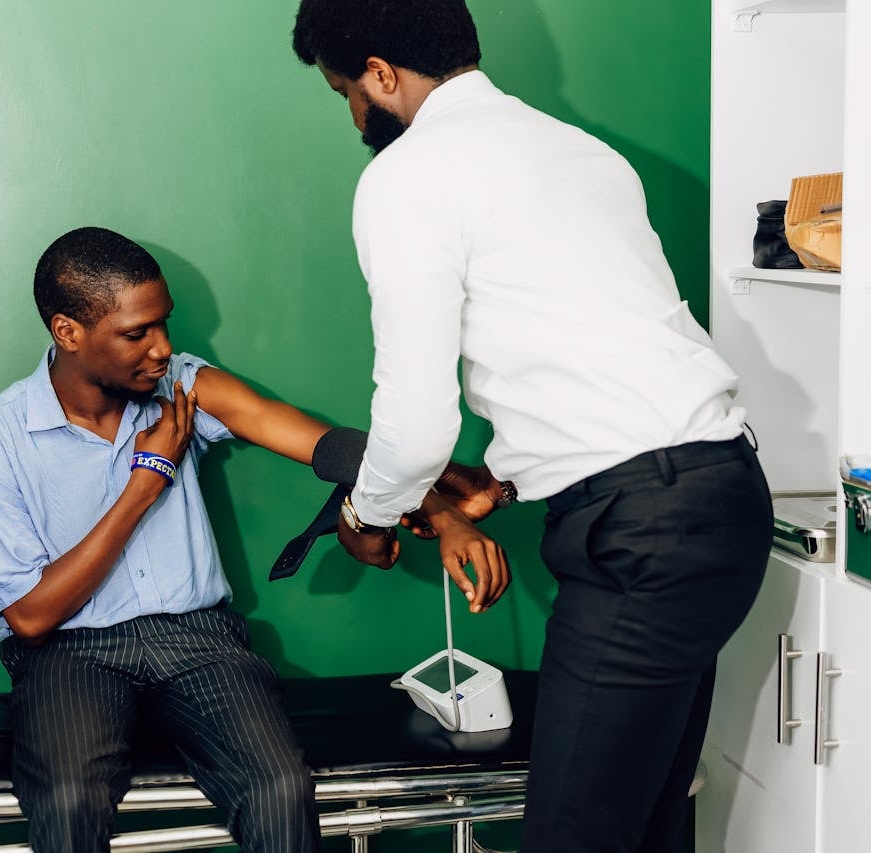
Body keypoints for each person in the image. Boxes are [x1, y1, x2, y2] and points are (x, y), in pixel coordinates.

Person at [290, 2, 774, 852]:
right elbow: (611, 358)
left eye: (344, 91)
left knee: (576, 836)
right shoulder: (586, 156)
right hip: (724, 499)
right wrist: (515, 477)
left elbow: (412, 425)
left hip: (643, 533)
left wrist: (363, 517)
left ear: (378, 74)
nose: (354, 115)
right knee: (647, 824)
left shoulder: (408, 176)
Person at [0, 225, 419, 852]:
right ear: (68, 332)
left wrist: (438, 500)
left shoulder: (178, 384)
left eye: (163, 324)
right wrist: (146, 483)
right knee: (67, 803)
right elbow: (32, 618)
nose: (162, 348)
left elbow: (308, 438)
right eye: (136, 333)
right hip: (69, 653)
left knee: (280, 788)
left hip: (197, 640)